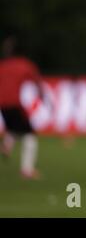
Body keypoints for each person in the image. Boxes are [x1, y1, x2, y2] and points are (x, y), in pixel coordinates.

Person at [0, 35, 42, 180]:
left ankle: (7, 143)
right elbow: (37, 81)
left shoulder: (3, 65)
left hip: (2, 105)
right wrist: (42, 96)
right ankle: (27, 170)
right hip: (14, 104)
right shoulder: (24, 64)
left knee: (15, 128)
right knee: (29, 135)